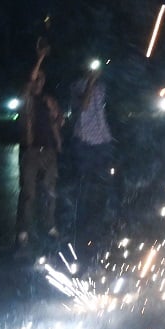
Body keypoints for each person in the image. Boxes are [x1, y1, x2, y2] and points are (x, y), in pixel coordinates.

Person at [16, 41, 64, 247]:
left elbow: (58, 121)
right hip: (31, 150)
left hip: (49, 151)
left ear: (44, 82)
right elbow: (30, 78)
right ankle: (23, 230)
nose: (38, 82)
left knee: (50, 190)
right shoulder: (27, 97)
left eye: (41, 80)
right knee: (28, 193)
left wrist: (59, 122)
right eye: (36, 79)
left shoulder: (47, 100)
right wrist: (41, 57)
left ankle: (50, 225)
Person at [70, 59, 115, 241]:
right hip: (85, 141)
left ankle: (102, 218)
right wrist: (90, 82)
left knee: (104, 179)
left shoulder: (101, 87)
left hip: (102, 140)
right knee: (86, 181)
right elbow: (84, 105)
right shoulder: (77, 86)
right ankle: (82, 220)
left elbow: (102, 110)